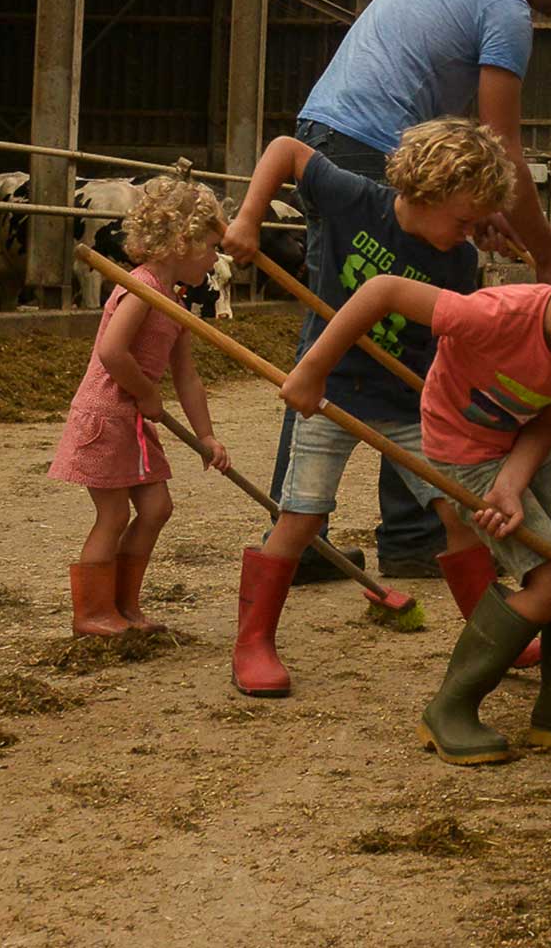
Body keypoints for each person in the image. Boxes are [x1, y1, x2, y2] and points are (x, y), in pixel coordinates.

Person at [268, 0, 551, 584]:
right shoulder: (509, 12)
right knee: (369, 331)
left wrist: (470, 205)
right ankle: (357, 533)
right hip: (366, 147)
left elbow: (473, 147)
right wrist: (550, 256)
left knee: (375, 328)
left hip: (337, 131)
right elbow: (504, 141)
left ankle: (406, 533)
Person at [281, 209, 551, 765]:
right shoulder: (497, 315)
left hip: (523, 441)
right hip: (462, 448)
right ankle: (451, 707)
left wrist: (514, 480)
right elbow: (380, 291)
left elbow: (549, 418)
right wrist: (313, 370)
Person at [220, 117, 514, 696]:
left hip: (408, 404)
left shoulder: (455, 260)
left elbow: (449, 345)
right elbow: (284, 149)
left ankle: (492, 633)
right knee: (301, 517)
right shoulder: (353, 197)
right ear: (426, 192)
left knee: (456, 513)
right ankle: (252, 645)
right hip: (328, 390)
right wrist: (248, 219)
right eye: (464, 220)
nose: (468, 234)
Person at [47, 166, 231, 637]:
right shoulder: (142, 286)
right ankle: (91, 613)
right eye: (212, 247)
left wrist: (207, 435)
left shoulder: (175, 299)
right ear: (183, 244)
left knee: (156, 509)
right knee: (114, 514)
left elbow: (186, 377)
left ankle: (124, 605)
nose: (215, 259)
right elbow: (112, 351)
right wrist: (148, 394)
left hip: (132, 418)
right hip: (107, 415)